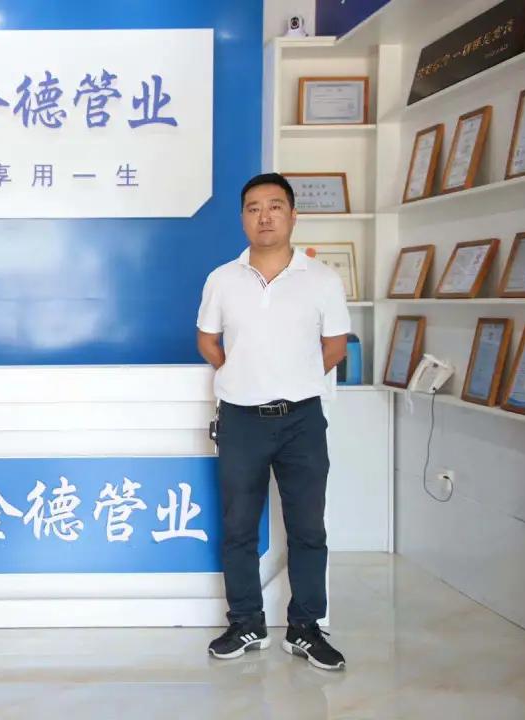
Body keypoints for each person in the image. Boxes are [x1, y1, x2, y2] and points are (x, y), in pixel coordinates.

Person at [196, 172, 349, 671]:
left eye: (275, 206)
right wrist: (241, 374)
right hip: (241, 419)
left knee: (308, 528)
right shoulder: (222, 279)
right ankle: (245, 622)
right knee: (239, 526)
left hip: (302, 419)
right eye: (254, 208)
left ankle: (306, 627)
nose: (264, 216)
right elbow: (208, 340)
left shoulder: (322, 279)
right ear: (243, 218)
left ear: (292, 215)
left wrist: (293, 378)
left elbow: (334, 347)